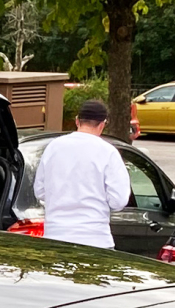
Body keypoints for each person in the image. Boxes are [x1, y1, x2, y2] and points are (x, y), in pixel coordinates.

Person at [33, 96, 132, 249]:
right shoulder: (109, 152)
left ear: (77, 121)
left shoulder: (53, 147)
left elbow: (40, 191)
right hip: (95, 239)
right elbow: (118, 200)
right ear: (102, 124)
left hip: (55, 237)